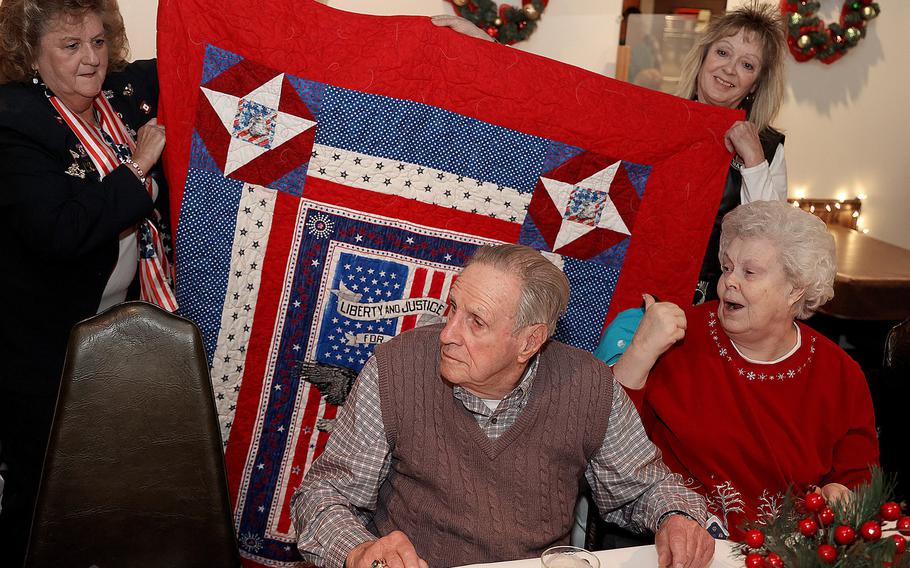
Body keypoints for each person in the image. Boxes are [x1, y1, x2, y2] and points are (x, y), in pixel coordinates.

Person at [291, 244, 715, 568]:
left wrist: (675, 515)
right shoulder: (396, 368)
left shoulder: (589, 387)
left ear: (529, 341)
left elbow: (644, 487)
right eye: (452, 308)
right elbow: (323, 494)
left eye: (476, 322)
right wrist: (361, 549)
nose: (447, 333)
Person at [0, 0, 168, 564]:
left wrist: (457, 26)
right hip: (44, 347)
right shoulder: (12, 118)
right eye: (71, 46)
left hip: (126, 336)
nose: (91, 58)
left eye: (98, 41)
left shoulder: (123, 93)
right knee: (45, 494)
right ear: (31, 55)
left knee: (120, 483)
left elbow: (210, 44)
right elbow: (60, 231)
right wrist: (136, 168)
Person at [609, 201, 879, 540]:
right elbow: (604, 444)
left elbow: (859, 478)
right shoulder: (676, 337)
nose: (728, 283)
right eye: (726, 268)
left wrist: (841, 492)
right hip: (678, 540)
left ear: (795, 288)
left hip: (787, 551)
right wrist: (640, 352)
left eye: (748, 273)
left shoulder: (839, 373)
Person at [676, 2, 789, 303]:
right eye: (723, 52)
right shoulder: (661, 121)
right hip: (644, 283)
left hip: (720, 299)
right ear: (703, 56)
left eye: (747, 64)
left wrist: (754, 160)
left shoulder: (767, 147)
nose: (729, 69)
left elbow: (773, 237)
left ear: (756, 84)